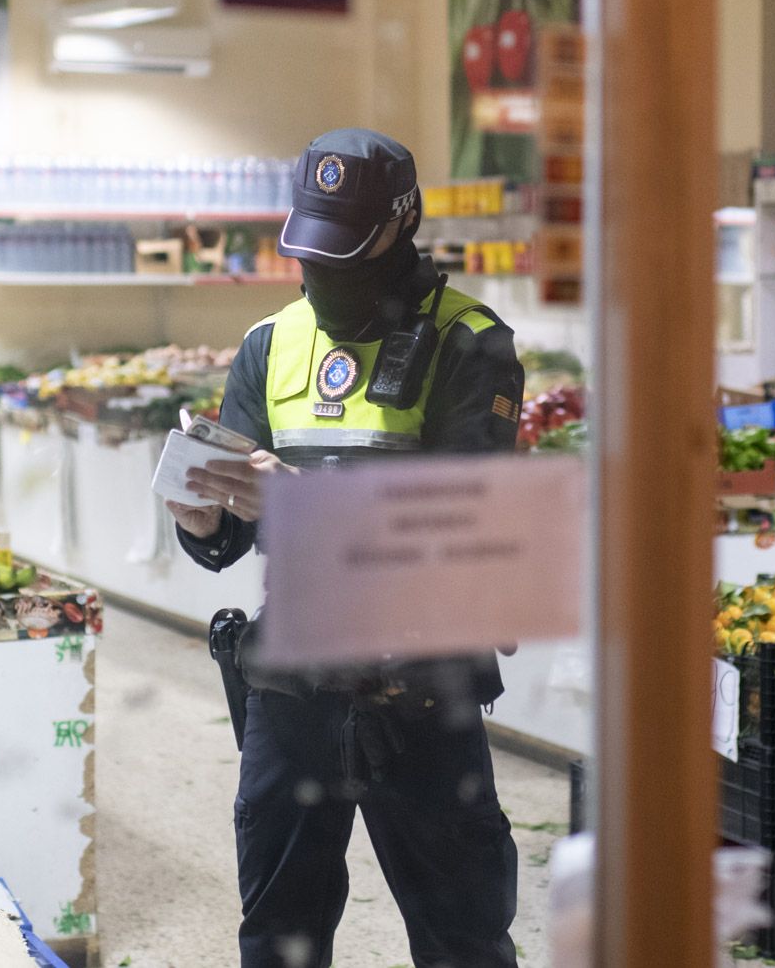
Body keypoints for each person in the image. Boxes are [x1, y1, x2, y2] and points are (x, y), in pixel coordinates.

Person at [168, 128, 524, 968]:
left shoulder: (472, 342)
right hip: (292, 681)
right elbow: (236, 531)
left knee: (462, 939)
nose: (325, 272)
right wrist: (204, 520)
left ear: (404, 226)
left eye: (347, 252)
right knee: (277, 937)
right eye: (312, 250)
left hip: (423, 685)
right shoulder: (271, 343)